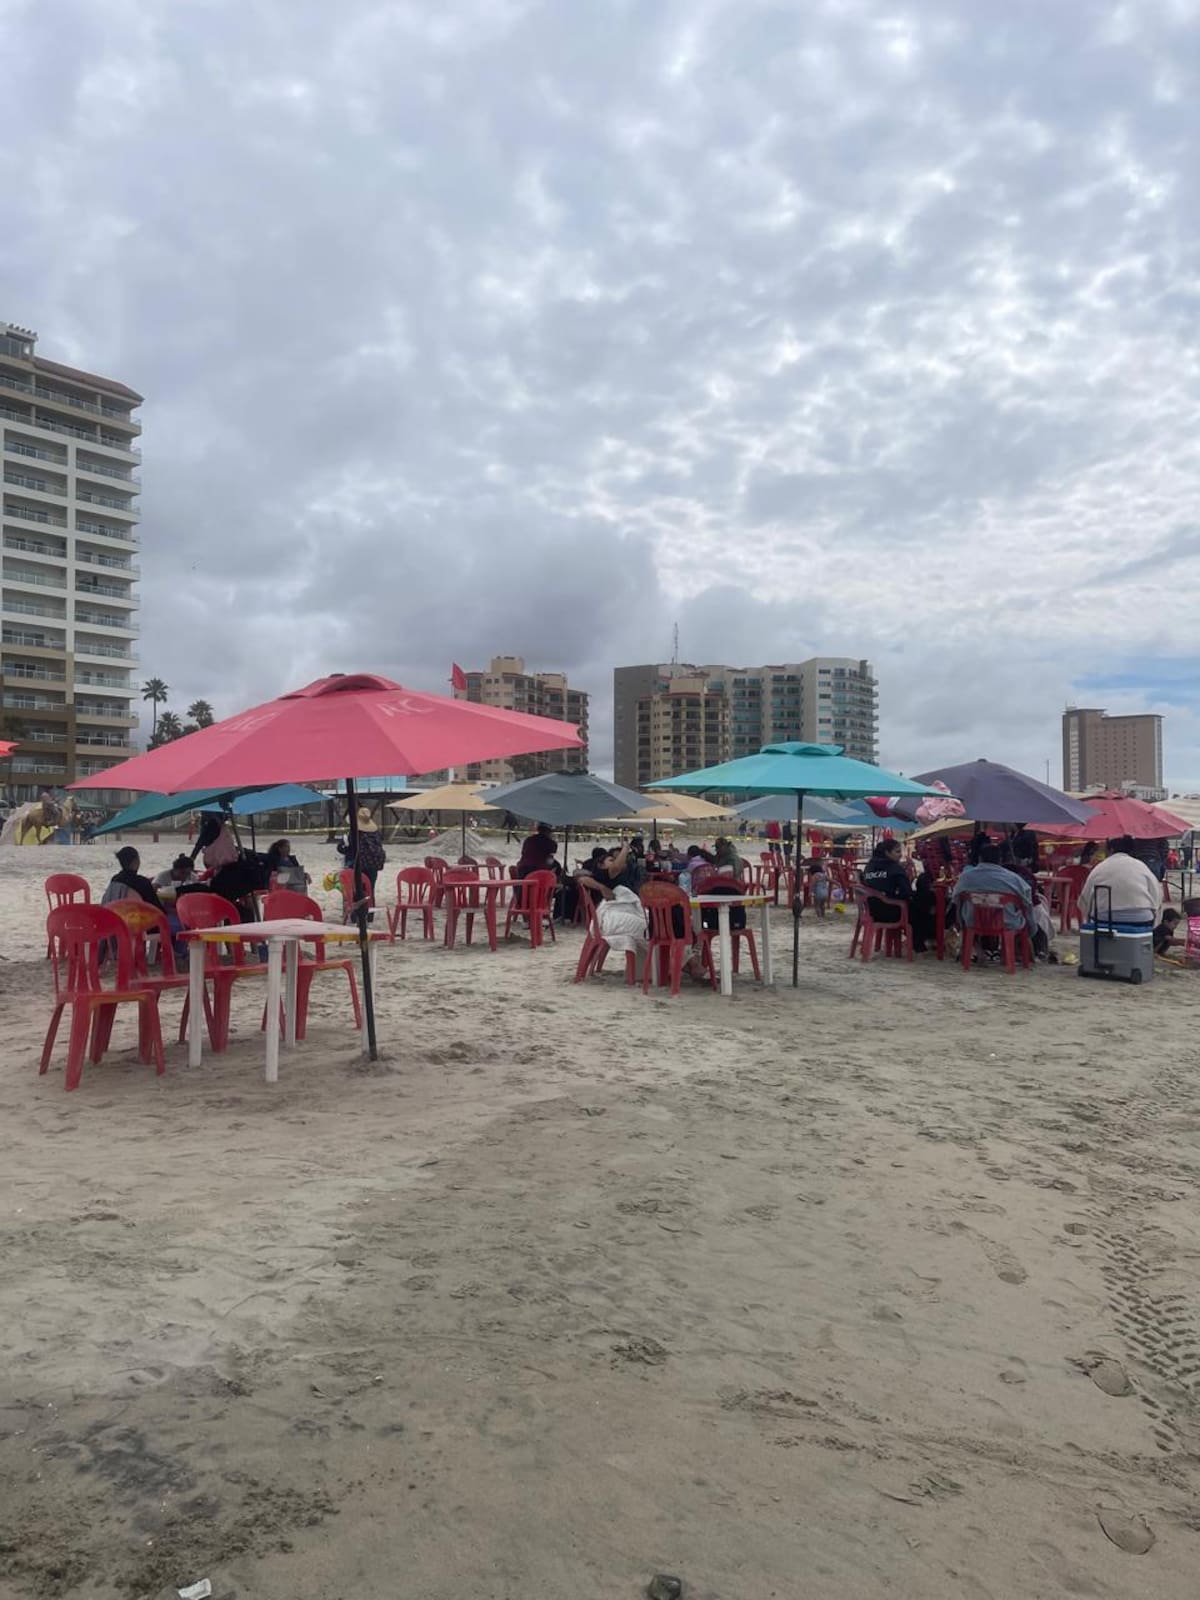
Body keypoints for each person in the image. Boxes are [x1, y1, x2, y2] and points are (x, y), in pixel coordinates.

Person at [951, 844, 1037, 946]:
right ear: (1000, 860)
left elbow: (956, 900)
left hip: (973, 921)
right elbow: (1027, 902)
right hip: (1008, 922)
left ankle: (974, 948)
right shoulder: (1014, 879)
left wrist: (961, 923)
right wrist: (1032, 929)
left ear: (980, 858)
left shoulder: (965, 878)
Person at [1079, 836, 1162, 927]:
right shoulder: (1141, 867)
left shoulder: (1100, 868)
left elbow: (1084, 900)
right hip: (1141, 920)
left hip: (1104, 920)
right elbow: (1156, 896)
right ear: (1132, 850)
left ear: (1110, 850)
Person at [860, 838, 913, 925]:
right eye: (897, 852)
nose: (900, 855)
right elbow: (906, 892)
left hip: (872, 911)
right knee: (920, 910)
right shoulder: (895, 868)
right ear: (887, 853)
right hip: (892, 912)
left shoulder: (869, 866)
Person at [337, 807, 387, 892]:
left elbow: (341, 848)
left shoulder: (355, 834)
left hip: (358, 864)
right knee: (370, 889)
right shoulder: (375, 833)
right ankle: (371, 903)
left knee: (357, 890)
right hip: (373, 864)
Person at [101, 846, 164, 910]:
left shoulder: (115, 879)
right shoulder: (142, 882)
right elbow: (157, 909)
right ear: (135, 861)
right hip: (135, 918)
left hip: (115, 916)